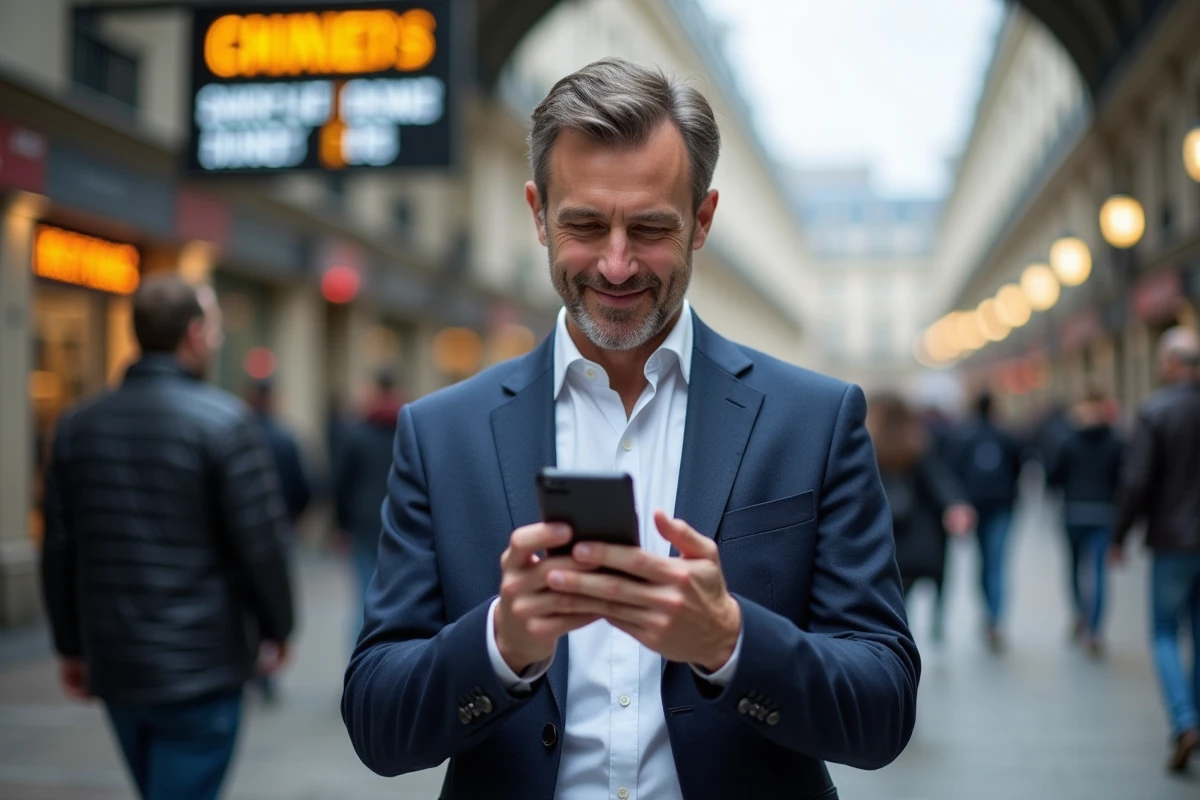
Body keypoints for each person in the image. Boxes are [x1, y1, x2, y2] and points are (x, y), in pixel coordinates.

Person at [342, 58, 919, 799]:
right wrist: (501, 643)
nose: (615, 266)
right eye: (584, 225)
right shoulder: (440, 434)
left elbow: (883, 710)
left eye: (650, 228)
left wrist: (730, 641)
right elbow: (376, 724)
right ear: (537, 214)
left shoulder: (815, 420)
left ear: (703, 221)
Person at [40, 275, 295, 800]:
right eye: (216, 330)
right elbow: (260, 544)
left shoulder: (77, 425)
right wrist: (279, 627)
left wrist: (70, 645)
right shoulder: (225, 423)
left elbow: (59, 547)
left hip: (116, 661)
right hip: (202, 665)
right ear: (194, 334)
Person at [1112, 326, 1200, 773]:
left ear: (1169, 363)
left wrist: (1118, 536)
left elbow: (1136, 481)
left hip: (1173, 542)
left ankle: (1185, 722)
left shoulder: (1156, 410)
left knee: (1165, 632)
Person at [867, 392, 974, 644]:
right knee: (932, 583)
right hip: (922, 535)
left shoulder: (869, 448)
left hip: (889, 537)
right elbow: (939, 481)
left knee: (899, 597)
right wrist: (955, 505)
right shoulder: (918, 445)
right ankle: (936, 621)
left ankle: (902, 637)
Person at [1046, 388, 1123, 657]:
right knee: (1100, 573)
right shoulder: (1115, 441)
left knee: (1076, 568)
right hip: (1104, 512)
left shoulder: (1068, 441)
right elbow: (1123, 479)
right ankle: (1095, 629)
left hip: (1074, 512)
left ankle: (1081, 614)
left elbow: (1053, 477)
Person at [948, 392, 1025, 651]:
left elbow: (955, 471)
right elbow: (1019, 468)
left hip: (976, 507)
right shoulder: (1006, 435)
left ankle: (988, 613)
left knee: (983, 562)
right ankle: (995, 618)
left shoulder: (963, 436)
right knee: (997, 562)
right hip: (1002, 506)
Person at [333, 368, 405, 639]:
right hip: (400, 523)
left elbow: (342, 483)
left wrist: (340, 525)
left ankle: (359, 666)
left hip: (363, 525)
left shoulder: (358, 433)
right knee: (399, 599)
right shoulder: (407, 428)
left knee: (364, 599)